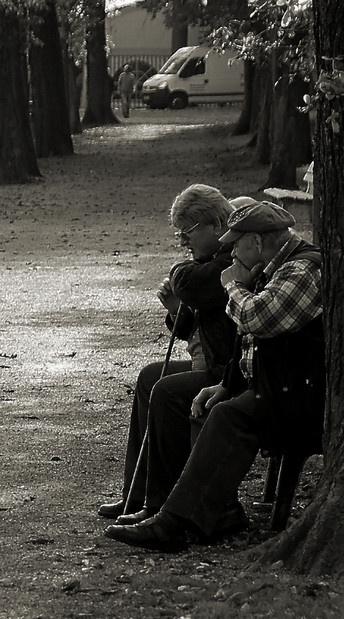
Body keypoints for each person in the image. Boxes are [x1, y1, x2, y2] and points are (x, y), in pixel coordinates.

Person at [103, 201, 324, 552]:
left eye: (236, 244)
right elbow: (248, 344)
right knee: (190, 395)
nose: (231, 250)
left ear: (255, 240)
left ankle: (177, 521)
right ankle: (166, 505)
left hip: (297, 394)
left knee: (225, 414)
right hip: (272, 383)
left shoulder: (300, 270)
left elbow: (256, 319)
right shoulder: (272, 267)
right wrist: (226, 385)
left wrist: (233, 286)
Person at [98, 185, 238, 520]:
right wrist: (177, 309)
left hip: (229, 372)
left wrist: (180, 281)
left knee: (166, 390)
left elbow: (190, 282)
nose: (182, 242)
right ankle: (136, 492)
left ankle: (159, 504)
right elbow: (191, 325)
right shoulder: (208, 261)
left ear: (217, 225)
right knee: (150, 377)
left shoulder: (230, 262)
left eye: (187, 232)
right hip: (217, 365)